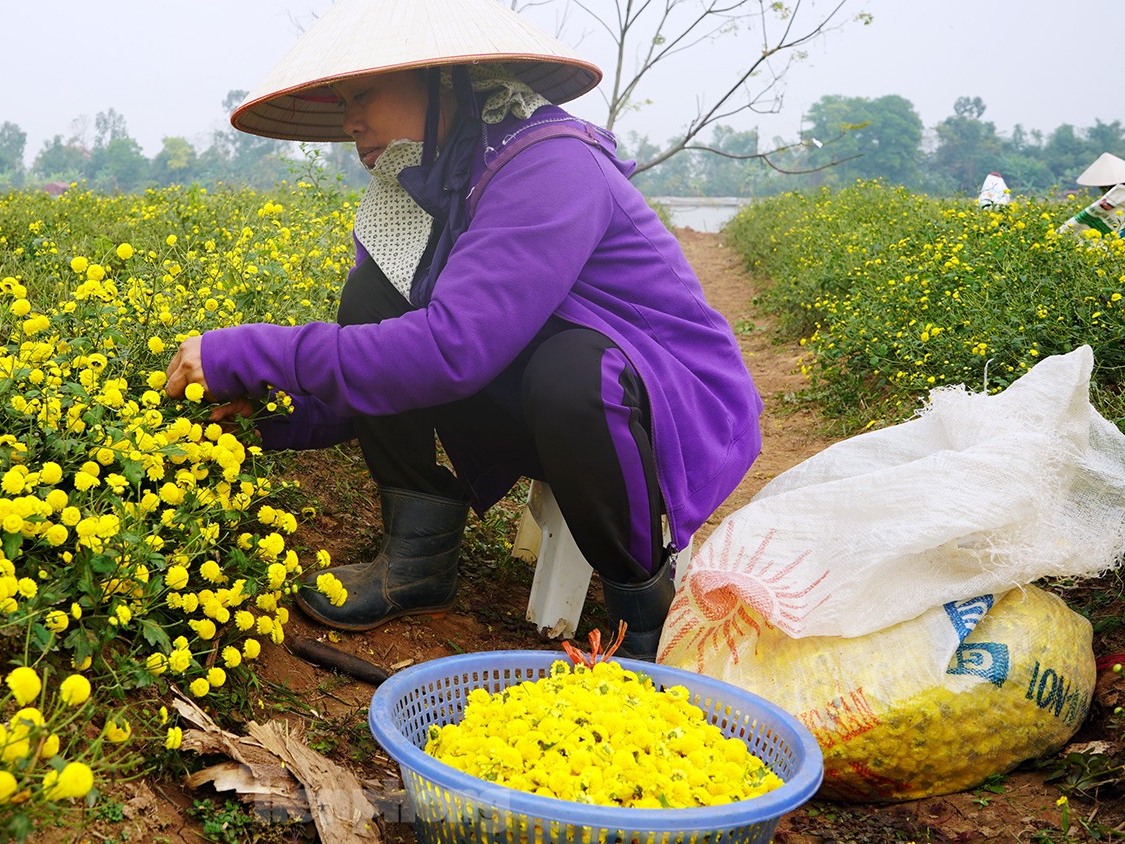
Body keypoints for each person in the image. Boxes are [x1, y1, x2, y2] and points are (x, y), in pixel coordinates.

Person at [165, 0, 762, 661]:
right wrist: (274, 417)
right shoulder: (426, 183)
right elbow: (396, 364)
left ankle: (642, 612)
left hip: (663, 406)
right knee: (377, 294)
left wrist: (248, 349)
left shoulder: (549, 162)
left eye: (364, 95)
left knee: (571, 372)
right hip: (549, 398)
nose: (350, 119)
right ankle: (416, 555)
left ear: (442, 82)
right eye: (343, 102)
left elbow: (451, 351)